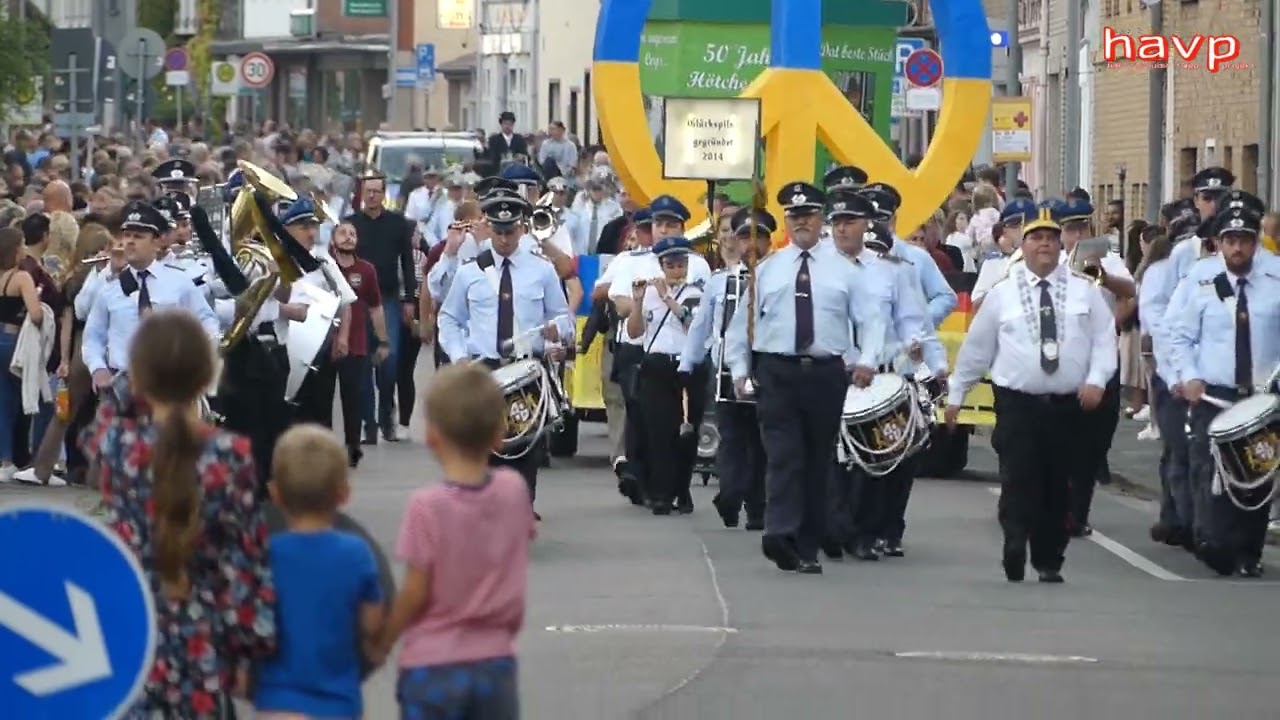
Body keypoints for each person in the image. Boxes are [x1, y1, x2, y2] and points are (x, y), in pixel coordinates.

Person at [84, 311, 275, 718]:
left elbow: (99, 420)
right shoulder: (230, 455)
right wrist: (249, 649)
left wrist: (132, 379)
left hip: (129, 640)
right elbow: (243, 565)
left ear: (138, 378)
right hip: (203, 646)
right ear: (206, 379)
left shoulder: (118, 446)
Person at [945, 205, 1117, 583]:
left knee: (1058, 485)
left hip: (1065, 404)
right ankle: (1015, 538)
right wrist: (957, 393)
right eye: (1037, 238)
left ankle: (1049, 557)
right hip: (1018, 404)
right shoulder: (1003, 294)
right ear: (1023, 244)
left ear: (1060, 246)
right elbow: (978, 349)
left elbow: (1105, 342)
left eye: (1051, 239)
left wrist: (1097, 379)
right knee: (1019, 477)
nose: (1045, 245)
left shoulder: (1084, 292)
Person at [723, 181, 888, 575]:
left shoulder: (844, 271)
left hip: (825, 373)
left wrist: (867, 360)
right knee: (783, 456)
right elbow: (740, 328)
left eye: (808, 216)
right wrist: (741, 371)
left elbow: (870, 318)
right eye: (794, 217)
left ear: (821, 220)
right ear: (786, 221)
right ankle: (780, 534)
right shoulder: (766, 270)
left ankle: (807, 544)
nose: (801, 223)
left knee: (817, 461)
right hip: (777, 371)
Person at [379, 364, 534, 719]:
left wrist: (384, 638)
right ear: (499, 434)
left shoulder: (426, 507)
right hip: (494, 660)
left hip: (433, 664)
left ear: (432, 436)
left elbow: (416, 590)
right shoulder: (514, 492)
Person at [436, 196, 574, 518]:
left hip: (526, 369)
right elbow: (449, 318)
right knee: (486, 447)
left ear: (521, 228)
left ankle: (520, 509)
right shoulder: (471, 272)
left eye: (510, 231)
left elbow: (563, 318)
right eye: (497, 230)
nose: (503, 238)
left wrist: (557, 331)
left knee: (525, 447)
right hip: (484, 369)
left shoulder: (541, 270)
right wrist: (458, 356)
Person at [1166, 207, 1277, 578]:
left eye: (1244, 240)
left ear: (1254, 242)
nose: (1237, 248)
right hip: (1214, 393)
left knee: (1256, 476)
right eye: (1230, 240)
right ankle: (1212, 540)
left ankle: (1249, 551)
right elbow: (1180, 336)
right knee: (1208, 468)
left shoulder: (1275, 281)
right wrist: (1190, 376)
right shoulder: (1202, 282)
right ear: (1220, 243)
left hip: (1261, 397)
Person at [253, 425, 386, 719]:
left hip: (278, 700)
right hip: (337, 701)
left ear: (275, 493)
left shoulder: (265, 556)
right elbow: (373, 622)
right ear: (344, 494)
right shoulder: (356, 554)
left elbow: (252, 625)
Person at [606, 197, 712, 501]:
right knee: (647, 422)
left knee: (685, 426)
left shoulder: (699, 264)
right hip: (640, 351)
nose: (664, 230)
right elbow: (620, 302)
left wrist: (671, 298)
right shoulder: (634, 261)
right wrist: (641, 301)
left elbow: (700, 312)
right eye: (659, 224)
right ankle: (648, 483)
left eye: (672, 225)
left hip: (686, 356)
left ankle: (675, 486)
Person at [679, 207, 776, 530]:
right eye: (745, 236)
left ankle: (757, 508)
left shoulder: (777, 277)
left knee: (762, 443)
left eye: (758, 237)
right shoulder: (721, 282)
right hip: (724, 375)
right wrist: (687, 362)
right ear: (735, 240)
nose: (751, 244)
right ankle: (731, 494)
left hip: (767, 372)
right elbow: (702, 325)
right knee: (733, 441)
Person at [82, 200, 220, 392]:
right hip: (122, 383)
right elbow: (93, 337)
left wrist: (196, 364)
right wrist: (97, 368)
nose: (129, 242)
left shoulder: (179, 282)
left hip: (169, 384)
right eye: (127, 235)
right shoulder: (110, 286)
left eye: (138, 236)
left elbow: (207, 322)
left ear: (156, 242)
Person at [625, 236, 706, 514]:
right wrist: (637, 302)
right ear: (661, 266)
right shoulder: (648, 294)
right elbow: (635, 333)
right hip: (656, 366)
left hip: (686, 367)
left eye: (680, 264)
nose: (675, 270)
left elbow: (693, 327)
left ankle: (682, 489)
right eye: (669, 265)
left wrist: (668, 299)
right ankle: (660, 494)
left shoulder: (695, 293)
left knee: (686, 434)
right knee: (658, 433)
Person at [346, 172, 416, 443]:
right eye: (368, 191)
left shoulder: (398, 224)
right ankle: (369, 424)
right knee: (362, 362)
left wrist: (409, 298)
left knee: (389, 361)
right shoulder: (351, 224)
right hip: (358, 300)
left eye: (376, 191)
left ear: (384, 194)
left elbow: (408, 262)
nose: (372, 195)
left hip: (387, 299)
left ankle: (387, 412)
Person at [319, 221, 391, 467]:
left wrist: (382, 341)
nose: (348, 237)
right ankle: (325, 446)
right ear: (332, 240)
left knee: (352, 398)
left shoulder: (367, 270)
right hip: (324, 342)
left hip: (356, 343)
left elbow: (376, 307)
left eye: (352, 233)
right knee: (324, 398)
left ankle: (353, 445)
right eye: (342, 233)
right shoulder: (322, 267)